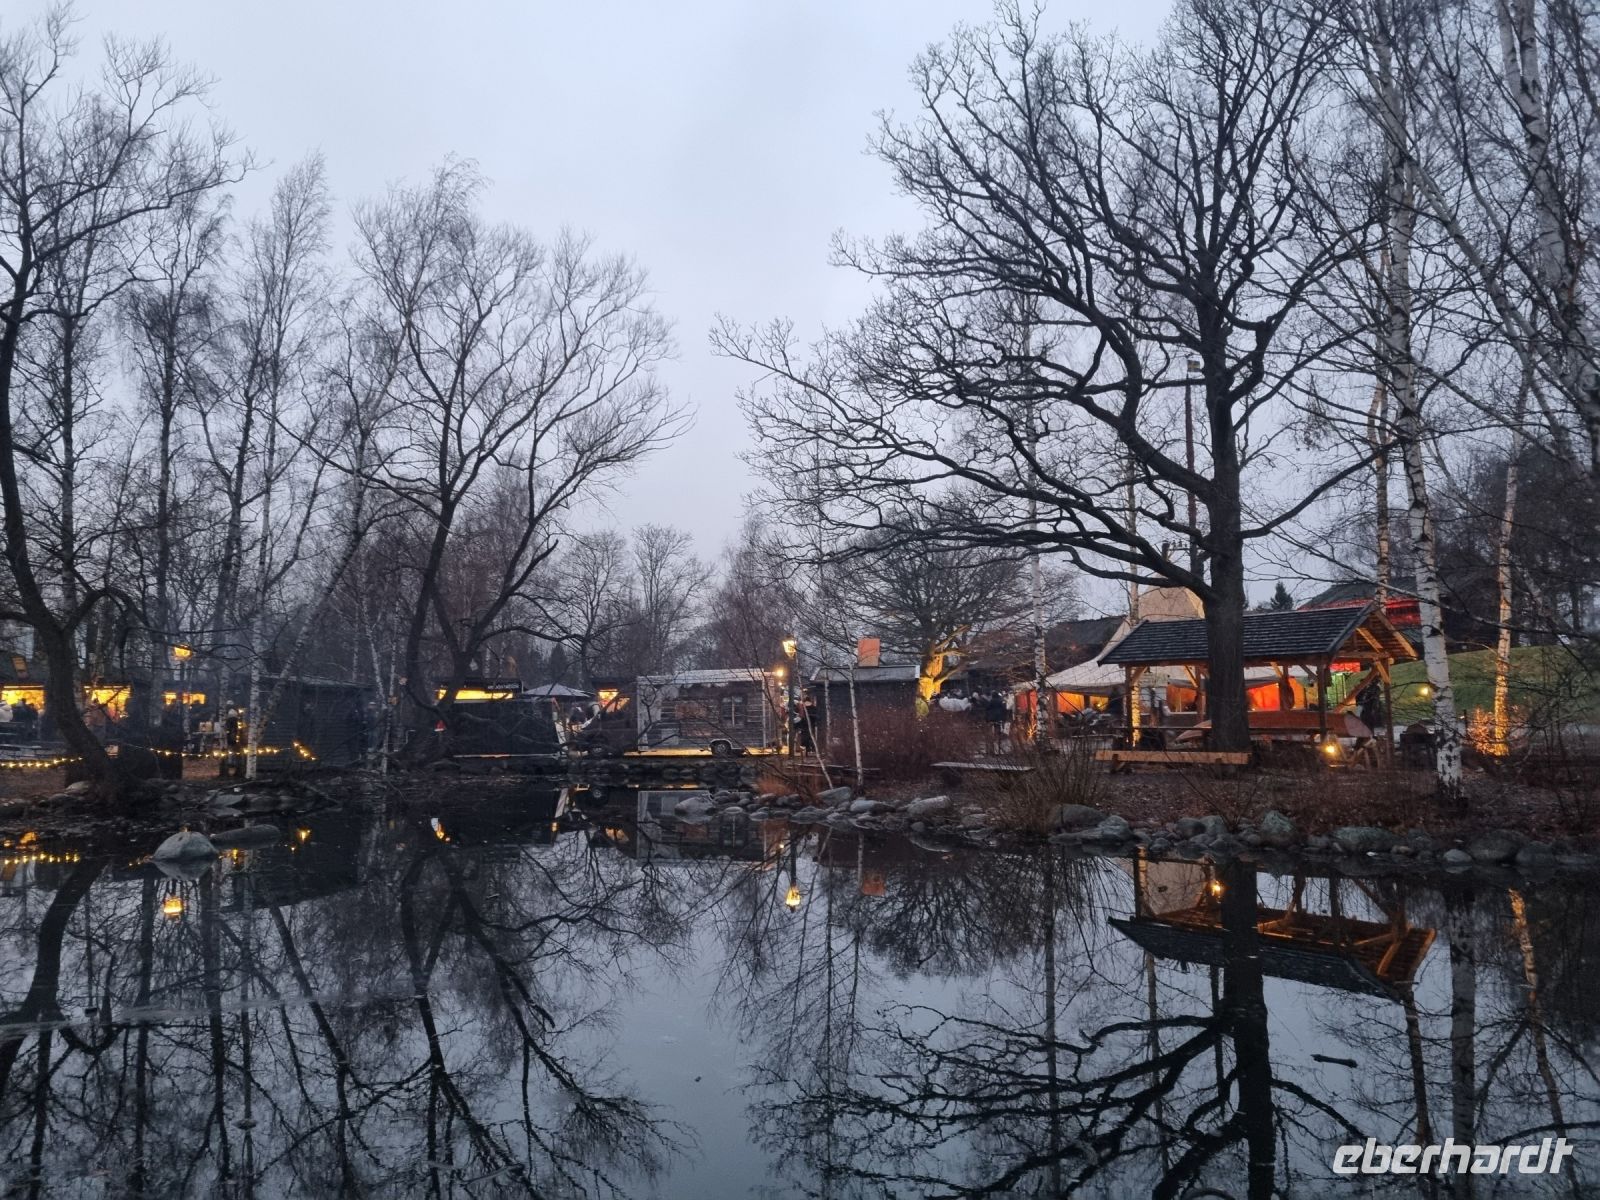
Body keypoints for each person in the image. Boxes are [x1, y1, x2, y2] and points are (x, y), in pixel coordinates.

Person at [984, 690, 1009, 755]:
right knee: (998, 729)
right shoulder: (1000, 701)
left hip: (992, 718)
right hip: (999, 718)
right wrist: (1004, 717)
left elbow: (987, 708)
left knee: (991, 731)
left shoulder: (991, 701)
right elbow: (1004, 709)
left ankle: (992, 746)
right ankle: (998, 739)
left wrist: (987, 717)